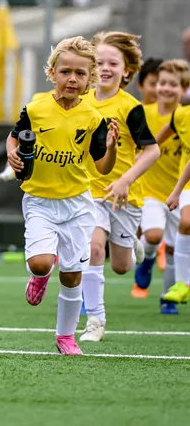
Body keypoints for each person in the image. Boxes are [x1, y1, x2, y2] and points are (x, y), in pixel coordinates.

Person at [7, 36, 118, 355]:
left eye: (80, 73)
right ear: (52, 72)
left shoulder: (93, 118)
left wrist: (110, 149)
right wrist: (12, 155)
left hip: (78, 205)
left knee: (72, 275)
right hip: (40, 200)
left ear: (90, 78)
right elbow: (13, 138)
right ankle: (39, 277)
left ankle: (65, 337)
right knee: (41, 264)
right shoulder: (36, 107)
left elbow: (102, 168)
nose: (72, 78)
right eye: (66, 71)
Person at [79, 32, 160, 343]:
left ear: (127, 71)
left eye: (113, 63)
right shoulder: (81, 102)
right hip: (88, 193)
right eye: (99, 62)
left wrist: (126, 180)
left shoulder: (130, 107)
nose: (105, 68)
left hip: (124, 197)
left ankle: (133, 245)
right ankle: (95, 321)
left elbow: (152, 150)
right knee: (93, 248)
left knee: (122, 266)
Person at [132, 60, 188, 312]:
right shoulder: (144, 113)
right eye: (161, 83)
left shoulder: (183, 116)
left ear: (183, 89)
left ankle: (168, 297)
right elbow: (140, 146)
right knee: (153, 235)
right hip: (149, 191)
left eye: (172, 85)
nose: (165, 89)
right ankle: (148, 259)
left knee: (177, 246)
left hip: (178, 192)